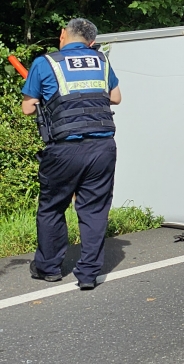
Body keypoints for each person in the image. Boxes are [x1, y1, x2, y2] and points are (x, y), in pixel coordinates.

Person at [21, 18, 121, 289]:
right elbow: (116, 97)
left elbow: (28, 108)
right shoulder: (101, 61)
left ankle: (49, 268)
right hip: (102, 147)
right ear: (91, 42)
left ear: (63, 34)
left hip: (64, 149)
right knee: (94, 209)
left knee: (52, 206)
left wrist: (44, 97)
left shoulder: (46, 62)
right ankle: (88, 275)